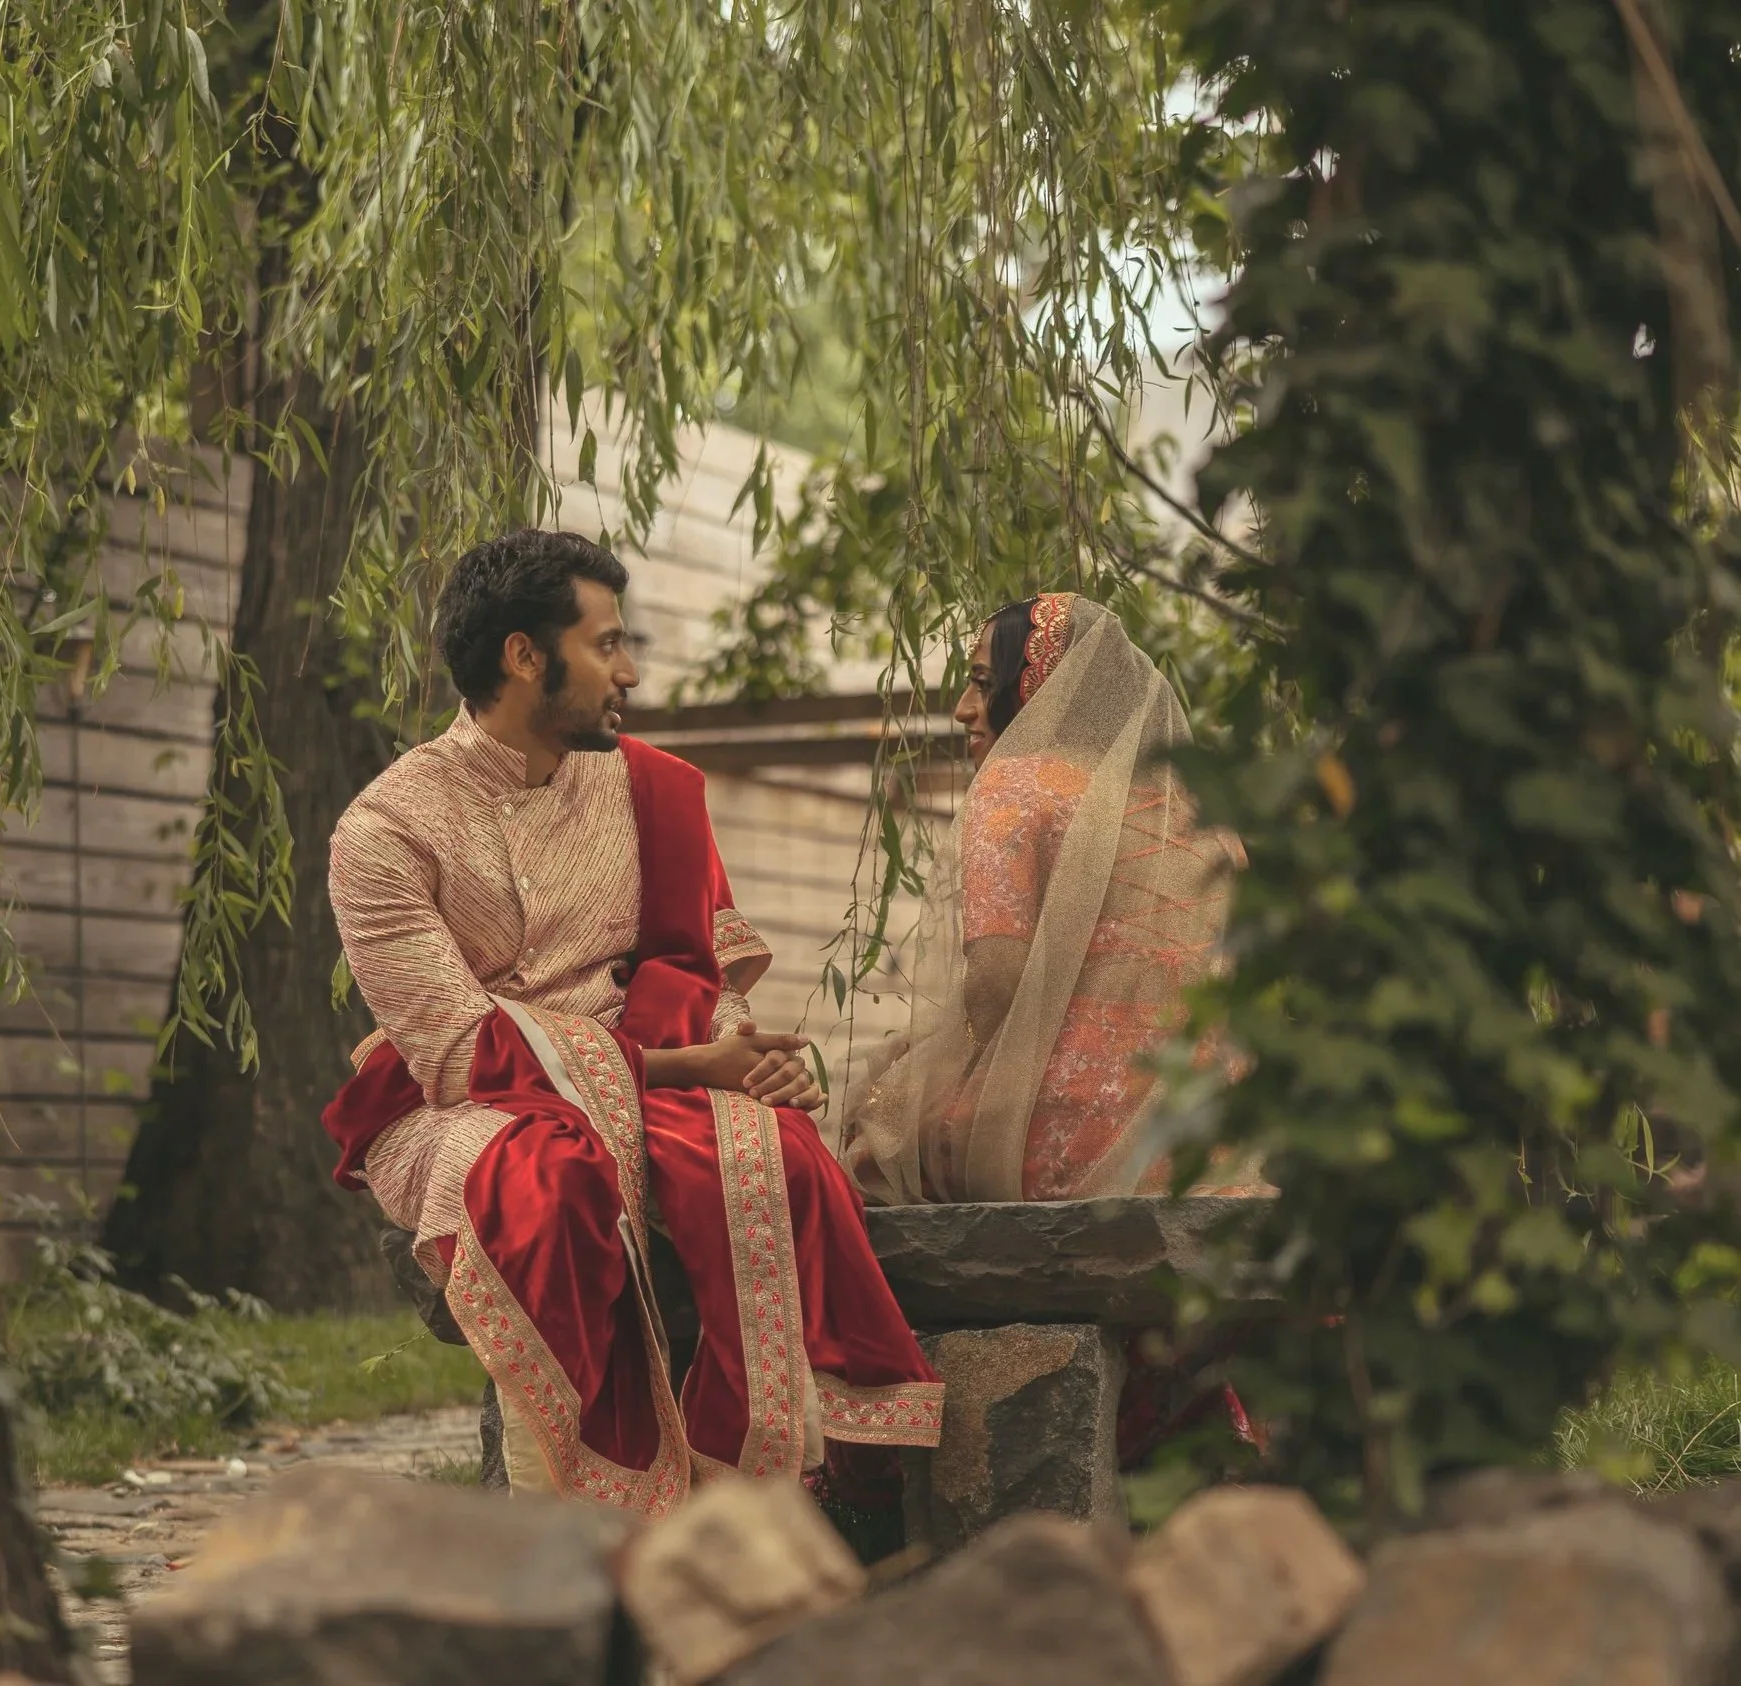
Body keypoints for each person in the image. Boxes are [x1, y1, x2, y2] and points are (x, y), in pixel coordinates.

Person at [324, 529, 943, 1521]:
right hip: (467, 1103)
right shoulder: (384, 831)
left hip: (650, 1072)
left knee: (776, 1159)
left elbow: (691, 973)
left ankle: (770, 1494)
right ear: (525, 657)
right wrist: (695, 1064)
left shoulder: (651, 790)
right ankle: (575, 1513)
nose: (631, 672)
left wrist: (746, 1063)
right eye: (606, 645)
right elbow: (453, 1050)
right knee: (547, 1186)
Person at [842, 591, 1255, 1206]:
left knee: (869, 1138)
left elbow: (997, 985)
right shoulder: (1202, 814)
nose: (961, 710)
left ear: (1040, 691)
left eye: (984, 684)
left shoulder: (1016, 784)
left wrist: (913, 1074)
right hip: (1214, 1136)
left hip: (1069, 1133)